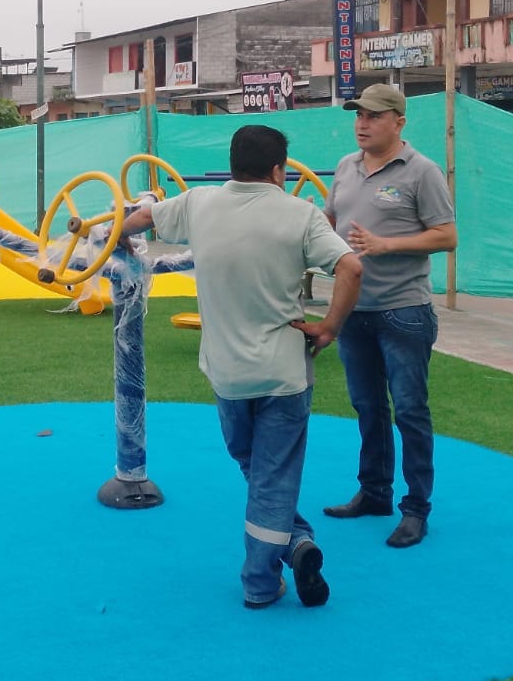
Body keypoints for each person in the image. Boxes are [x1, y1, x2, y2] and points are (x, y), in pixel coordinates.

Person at [118, 124, 361, 609]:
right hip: (284, 373)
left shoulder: (199, 203)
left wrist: (118, 239)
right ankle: (269, 571)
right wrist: (329, 327)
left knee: (256, 467)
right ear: (278, 170)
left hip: (228, 375)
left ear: (232, 165)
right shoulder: (301, 214)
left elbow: (139, 218)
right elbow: (351, 267)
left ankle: (285, 554)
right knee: (272, 475)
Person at [322, 83, 457, 549]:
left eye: (373, 116)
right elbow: (328, 222)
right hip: (353, 309)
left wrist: (387, 245)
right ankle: (375, 492)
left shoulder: (423, 171)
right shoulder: (346, 167)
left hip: (404, 310)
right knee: (367, 406)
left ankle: (416, 509)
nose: (362, 124)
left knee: (411, 410)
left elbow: (447, 236)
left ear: (399, 122)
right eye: (358, 115)